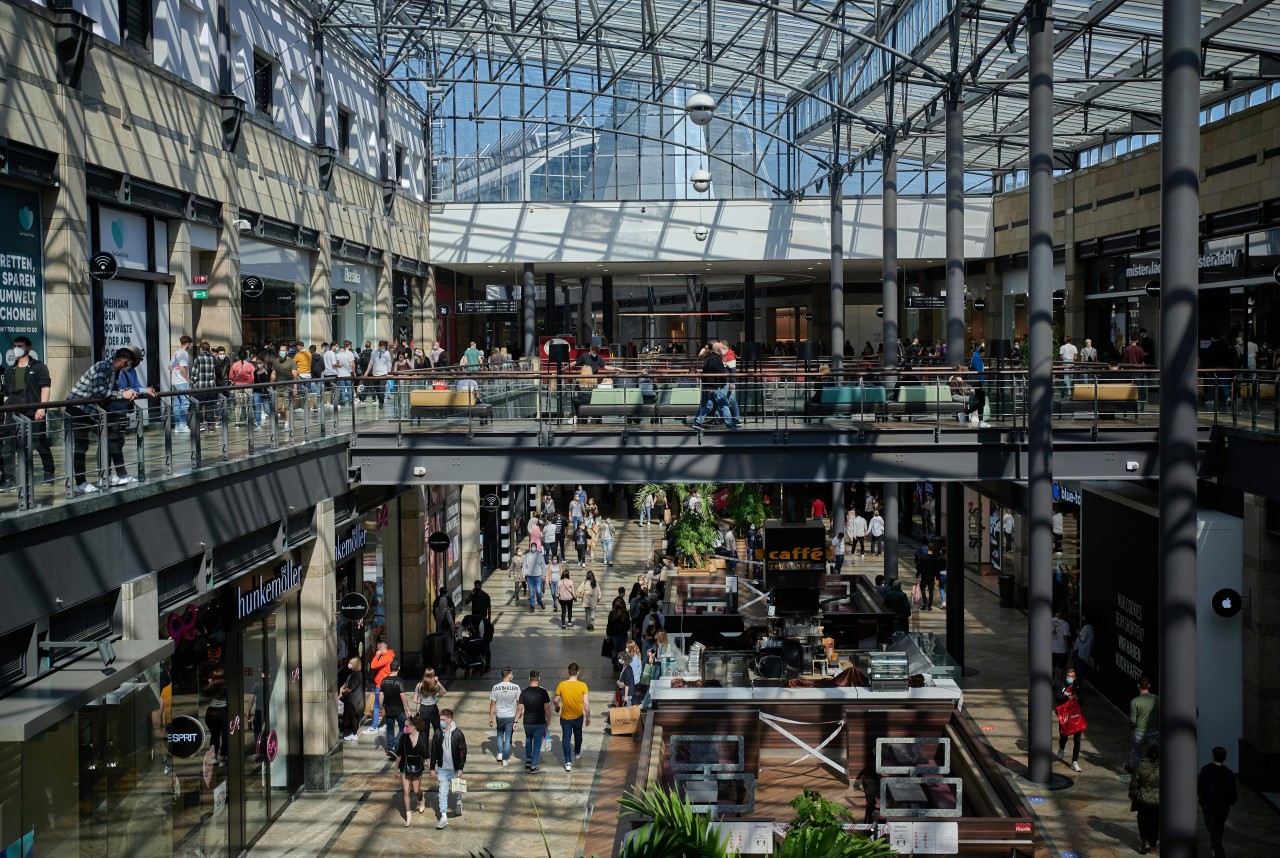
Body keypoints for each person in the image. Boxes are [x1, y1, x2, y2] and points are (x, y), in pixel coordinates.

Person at [65, 349, 139, 493]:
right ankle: (80, 482)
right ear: (124, 360)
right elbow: (98, 391)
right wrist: (122, 394)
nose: (129, 367)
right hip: (78, 408)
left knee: (109, 438)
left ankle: (106, 475)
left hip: (91, 411)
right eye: (129, 363)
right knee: (81, 446)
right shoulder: (102, 367)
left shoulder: (111, 371)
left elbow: (108, 391)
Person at [1, 335, 55, 486]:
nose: (16, 349)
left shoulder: (39, 367)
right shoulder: (9, 370)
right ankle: (10, 479)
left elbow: (45, 388)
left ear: (28, 348)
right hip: (13, 414)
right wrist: (6, 413)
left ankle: (49, 471)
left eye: (20, 346)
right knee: (8, 447)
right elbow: (7, 394)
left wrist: (42, 408)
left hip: (33, 412)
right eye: (15, 346)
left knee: (39, 443)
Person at [105, 346, 155, 485]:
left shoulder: (131, 371)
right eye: (137, 359)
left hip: (122, 411)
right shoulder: (118, 371)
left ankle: (110, 474)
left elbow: (136, 386)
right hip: (112, 411)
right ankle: (116, 474)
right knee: (113, 443)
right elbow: (121, 389)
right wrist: (137, 390)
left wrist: (144, 389)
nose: (136, 362)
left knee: (118, 443)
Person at [428, 708, 467, 829]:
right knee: (442, 793)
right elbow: (434, 750)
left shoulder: (458, 734)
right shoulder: (438, 733)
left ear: (449, 720)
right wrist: (432, 767)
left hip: (455, 768)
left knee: (457, 790)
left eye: (443, 720)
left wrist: (460, 767)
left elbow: (463, 752)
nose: (441, 722)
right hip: (443, 768)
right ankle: (443, 816)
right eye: (440, 719)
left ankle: (459, 801)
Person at [1198, 746, 1237, 858]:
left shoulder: (1206, 769)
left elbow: (1200, 787)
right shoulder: (1229, 773)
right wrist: (1231, 802)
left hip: (1209, 807)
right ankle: (1215, 850)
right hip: (1223, 807)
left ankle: (1218, 853)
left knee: (1214, 830)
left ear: (1213, 757)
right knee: (1218, 828)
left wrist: (1202, 801)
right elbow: (1232, 792)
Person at [554, 663, 590, 772]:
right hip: (578, 715)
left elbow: (555, 700)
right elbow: (586, 703)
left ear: (568, 672)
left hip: (565, 717)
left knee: (566, 738)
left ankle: (568, 762)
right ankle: (578, 752)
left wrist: (557, 707)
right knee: (578, 734)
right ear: (578, 672)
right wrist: (588, 717)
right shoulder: (583, 685)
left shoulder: (562, 685)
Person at [517, 669, 552, 773]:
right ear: (539, 679)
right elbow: (546, 708)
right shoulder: (543, 692)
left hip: (527, 721)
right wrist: (549, 718)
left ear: (529, 678)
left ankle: (528, 760)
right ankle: (534, 765)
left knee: (528, 739)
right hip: (539, 722)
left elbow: (519, 708)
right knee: (537, 744)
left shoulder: (524, 691)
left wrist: (515, 721)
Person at [395, 716, 428, 826]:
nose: (405, 728)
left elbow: (426, 755)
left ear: (414, 727)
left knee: (416, 790)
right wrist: (396, 770)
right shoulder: (403, 738)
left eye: (406, 726)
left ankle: (421, 799)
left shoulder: (423, 737)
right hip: (405, 765)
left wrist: (432, 768)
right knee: (406, 791)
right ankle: (408, 815)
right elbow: (399, 754)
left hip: (417, 765)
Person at [1129, 744, 1161, 854]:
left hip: (1142, 799)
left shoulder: (1141, 764)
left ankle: (1145, 841)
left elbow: (1134, 783)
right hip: (1158, 802)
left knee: (1142, 820)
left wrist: (1132, 796)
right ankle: (1152, 845)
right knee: (1155, 822)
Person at [1127, 676, 1160, 773]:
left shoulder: (1135, 701)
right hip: (1154, 732)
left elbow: (1132, 720)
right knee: (1153, 754)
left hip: (1138, 733)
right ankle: (1152, 773)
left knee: (1136, 752)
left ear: (1138, 686)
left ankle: (1134, 771)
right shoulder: (1157, 699)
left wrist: (1132, 729)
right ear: (1149, 685)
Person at [488, 667, 521, 767]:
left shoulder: (495, 687)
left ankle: (499, 753)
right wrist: (519, 715)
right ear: (510, 675)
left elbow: (492, 704)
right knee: (508, 737)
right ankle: (505, 759)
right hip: (511, 716)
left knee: (499, 733)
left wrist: (490, 717)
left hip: (500, 715)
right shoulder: (516, 687)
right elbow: (520, 703)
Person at [1054, 667, 1085, 772]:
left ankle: (1074, 762)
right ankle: (1061, 748)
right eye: (1068, 676)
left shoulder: (1078, 686)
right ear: (1065, 676)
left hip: (1075, 715)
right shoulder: (1060, 685)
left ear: (1075, 677)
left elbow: (1083, 700)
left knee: (1077, 739)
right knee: (1064, 736)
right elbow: (1057, 698)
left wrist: (1076, 699)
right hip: (1064, 716)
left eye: (1072, 676)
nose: (1070, 678)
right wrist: (1067, 698)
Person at [379, 659, 410, 761]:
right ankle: (395, 746)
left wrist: (381, 707)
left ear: (390, 668)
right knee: (404, 728)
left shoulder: (383, 681)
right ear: (399, 668)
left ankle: (391, 747)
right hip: (399, 710)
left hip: (389, 710)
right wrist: (408, 709)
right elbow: (403, 697)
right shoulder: (400, 681)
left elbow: (381, 696)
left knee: (390, 730)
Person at [365, 639, 396, 734]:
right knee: (386, 705)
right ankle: (387, 724)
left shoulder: (386, 657)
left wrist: (377, 655)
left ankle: (374, 727)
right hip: (384, 683)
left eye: (378, 648)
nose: (377, 650)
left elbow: (373, 665)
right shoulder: (389, 655)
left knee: (377, 705)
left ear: (382, 647)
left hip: (381, 685)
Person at [414, 668, 447, 751]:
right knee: (437, 730)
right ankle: (438, 752)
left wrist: (422, 701)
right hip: (433, 709)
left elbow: (415, 700)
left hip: (423, 710)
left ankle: (426, 757)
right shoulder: (435, 685)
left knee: (424, 734)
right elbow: (444, 691)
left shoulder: (419, 685)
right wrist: (438, 682)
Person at [203, 666, 229, 767]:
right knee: (225, 736)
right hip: (224, 711)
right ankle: (223, 758)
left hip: (212, 711)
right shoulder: (226, 685)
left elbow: (204, 693)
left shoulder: (212, 685)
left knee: (214, 735)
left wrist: (210, 683)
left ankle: (214, 758)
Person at [169, 335, 193, 432]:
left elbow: (170, 367)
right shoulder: (183, 353)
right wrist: (187, 379)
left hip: (174, 381)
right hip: (182, 382)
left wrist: (175, 374)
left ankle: (178, 426)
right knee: (185, 403)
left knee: (176, 404)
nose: (190, 345)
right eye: (190, 344)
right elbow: (183, 368)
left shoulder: (176, 352)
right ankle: (183, 425)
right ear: (188, 343)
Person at [339, 655, 365, 740]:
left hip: (353, 699)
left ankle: (354, 734)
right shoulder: (354, 674)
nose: (349, 664)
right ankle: (342, 730)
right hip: (351, 699)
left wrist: (342, 690)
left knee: (353, 715)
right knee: (346, 715)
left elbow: (350, 689)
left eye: (351, 663)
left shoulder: (356, 675)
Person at [969, 342, 990, 427]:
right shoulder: (977, 356)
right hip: (978, 382)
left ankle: (981, 422)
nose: (983, 348)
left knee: (981, 402)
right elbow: (980, 372)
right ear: (977, 347)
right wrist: (982, 384)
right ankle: (967, 411)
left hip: (977, 381)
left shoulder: (976, 356)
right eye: (982, 346)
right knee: (982, 402)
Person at [523, 544, 547, 612]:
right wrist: (524, 574)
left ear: (536, 548)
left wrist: (544, 575)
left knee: (539, 591)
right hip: (529, 576)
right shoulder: (527, 555)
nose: (533, 548)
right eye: (532, 546)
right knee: (531, 592)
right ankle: (532, 606)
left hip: (538, 576)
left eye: (534, 547)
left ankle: (539, 601)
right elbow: (524, 565)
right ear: (530, 547)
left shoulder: (540, 555)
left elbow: (543, 566)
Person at [1050, 611, 1071, 680]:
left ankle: (1052, 680)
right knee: (1061, 667)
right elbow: (1066, 637)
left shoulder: (1051, 620)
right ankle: (1059, 681)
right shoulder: (1065, 624)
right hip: (1061, 649)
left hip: (1051, 648)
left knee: (1052, 665)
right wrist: (1068, 648)